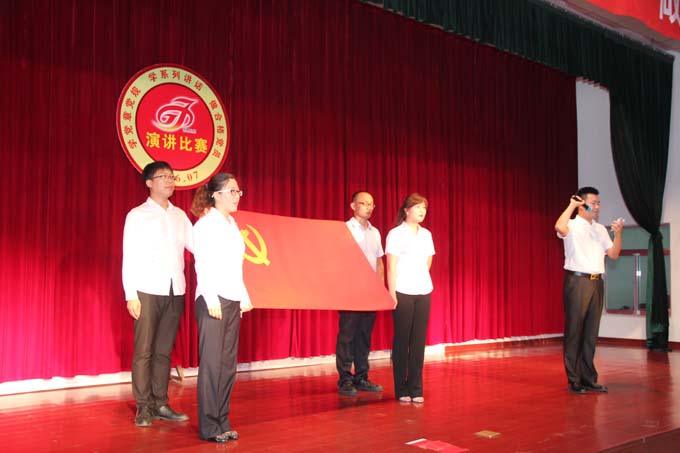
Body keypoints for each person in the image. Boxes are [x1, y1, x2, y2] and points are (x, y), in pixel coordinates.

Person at [122, 161, 193, 427]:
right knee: (144, 350)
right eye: (163, 176)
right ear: (149, 183)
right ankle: (144, 406)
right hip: (147, 289)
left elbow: (197, 246)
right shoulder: (137, 215)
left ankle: (161, 403)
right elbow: (129, 255)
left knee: (163, 351)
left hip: (175, 289)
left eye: (172, 176)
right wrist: (131, 294)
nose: (170, 180)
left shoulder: (180, 215)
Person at [191, 172, 253, 443]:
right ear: (216, 195)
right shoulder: (206, 225)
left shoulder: (232, 224)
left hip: (231, 298)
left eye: (238, 191)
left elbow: (235, 267)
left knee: (227, 365)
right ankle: (209, 425)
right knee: (212, 365)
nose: (236, 196)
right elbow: (203, 264)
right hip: (212, 300)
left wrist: (243, 296)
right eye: (231, 191)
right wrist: (212, 298)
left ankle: (222, 420)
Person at [554, 186, 623, 394]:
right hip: (578, 282)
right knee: (575, 331)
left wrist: (618, 234)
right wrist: (571, 205)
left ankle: (588, 378)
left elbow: (613, 254)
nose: (597, 206)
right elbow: (559, 227)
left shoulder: (600, 229)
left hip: (596, 282)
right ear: (582, 204)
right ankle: (574, 379)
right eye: (593, 203)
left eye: (599, 203)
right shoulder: (572, 224)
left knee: (591, 333)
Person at [385, 193, 435, 404]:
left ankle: (416, 388)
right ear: (406, 210)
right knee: (402, 340)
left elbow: (428, 261)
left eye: (424, 207)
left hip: (423, 291)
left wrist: (419, 277)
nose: (422, 211)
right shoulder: (396, 234)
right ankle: (401, 389)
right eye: (417, 207)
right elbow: (391, 265)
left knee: (418, 341)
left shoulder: (426, 234)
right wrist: (392, 292)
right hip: (402, 291)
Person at [336, 191, 385, 396]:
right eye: (363, 203)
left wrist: (380, 288)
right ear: (353, 206)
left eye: (371, 204)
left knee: (364, 336)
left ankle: (361, 377)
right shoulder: (344, 229)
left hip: (370, 292)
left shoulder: (375, 232)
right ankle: (345, 379)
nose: (368, 207)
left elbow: (379, 261)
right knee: (347, 335)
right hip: (350, 290)